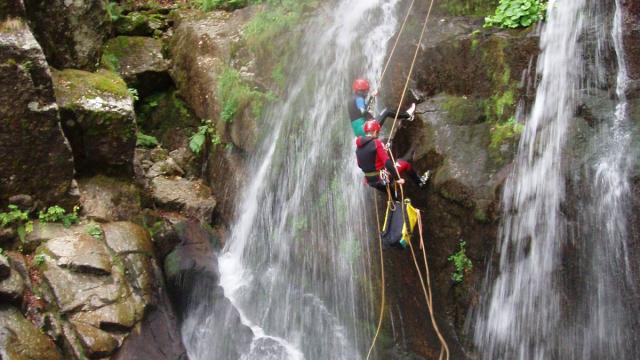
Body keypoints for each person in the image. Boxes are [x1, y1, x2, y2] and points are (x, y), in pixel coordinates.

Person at [355, 120, 429, 195]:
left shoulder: (358, 148)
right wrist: (397, 179)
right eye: (378, 132)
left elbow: (360, 165)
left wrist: (383, 151)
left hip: (370, 181)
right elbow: (387, 163)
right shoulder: (376, 143)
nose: (378, 134)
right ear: (374, 132)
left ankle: (396, 202)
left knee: (392, 194)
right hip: (381, 178)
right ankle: (420, 183)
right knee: (404, 164)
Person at [347, 78, 416, 137]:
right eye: (366, 91)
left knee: (383, 113)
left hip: (358, 132)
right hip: (365, 129)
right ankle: (407, 115)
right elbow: (363, 111)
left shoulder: (351, 99)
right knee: (386, 111)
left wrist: (372, 97)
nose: (367, 93)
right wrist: (372, 119)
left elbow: (363, 109)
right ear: (361, 90)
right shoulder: (359, 99)